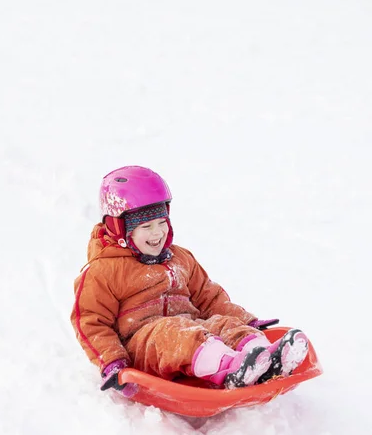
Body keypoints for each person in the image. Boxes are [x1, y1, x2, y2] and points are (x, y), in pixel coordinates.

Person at [71, 165, 308, 397]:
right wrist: (113, 361)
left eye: (162, 223)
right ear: (120, 230)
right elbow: (91, 322)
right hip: (146, 346)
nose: (157, 234)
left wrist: (245, 321)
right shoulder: (104, 270)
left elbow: (209, 297)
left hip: (195, 332)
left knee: (221, 323)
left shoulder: (180, 258)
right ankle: (233, 369)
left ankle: (263, 355)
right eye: (146, 226)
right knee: (174, 331)